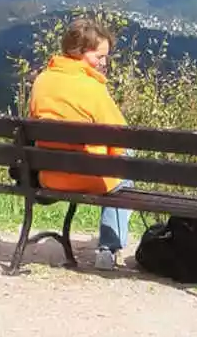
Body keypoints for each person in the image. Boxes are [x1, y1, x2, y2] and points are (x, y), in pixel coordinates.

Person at [28, 17, 134, 271]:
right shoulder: (92, 87)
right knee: (126, 170)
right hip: (86, 177)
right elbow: (121, 137)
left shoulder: (42, 80)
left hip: (48, 176)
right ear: (79, 52)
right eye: (99, 56)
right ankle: (108, 249)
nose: (104, 63)